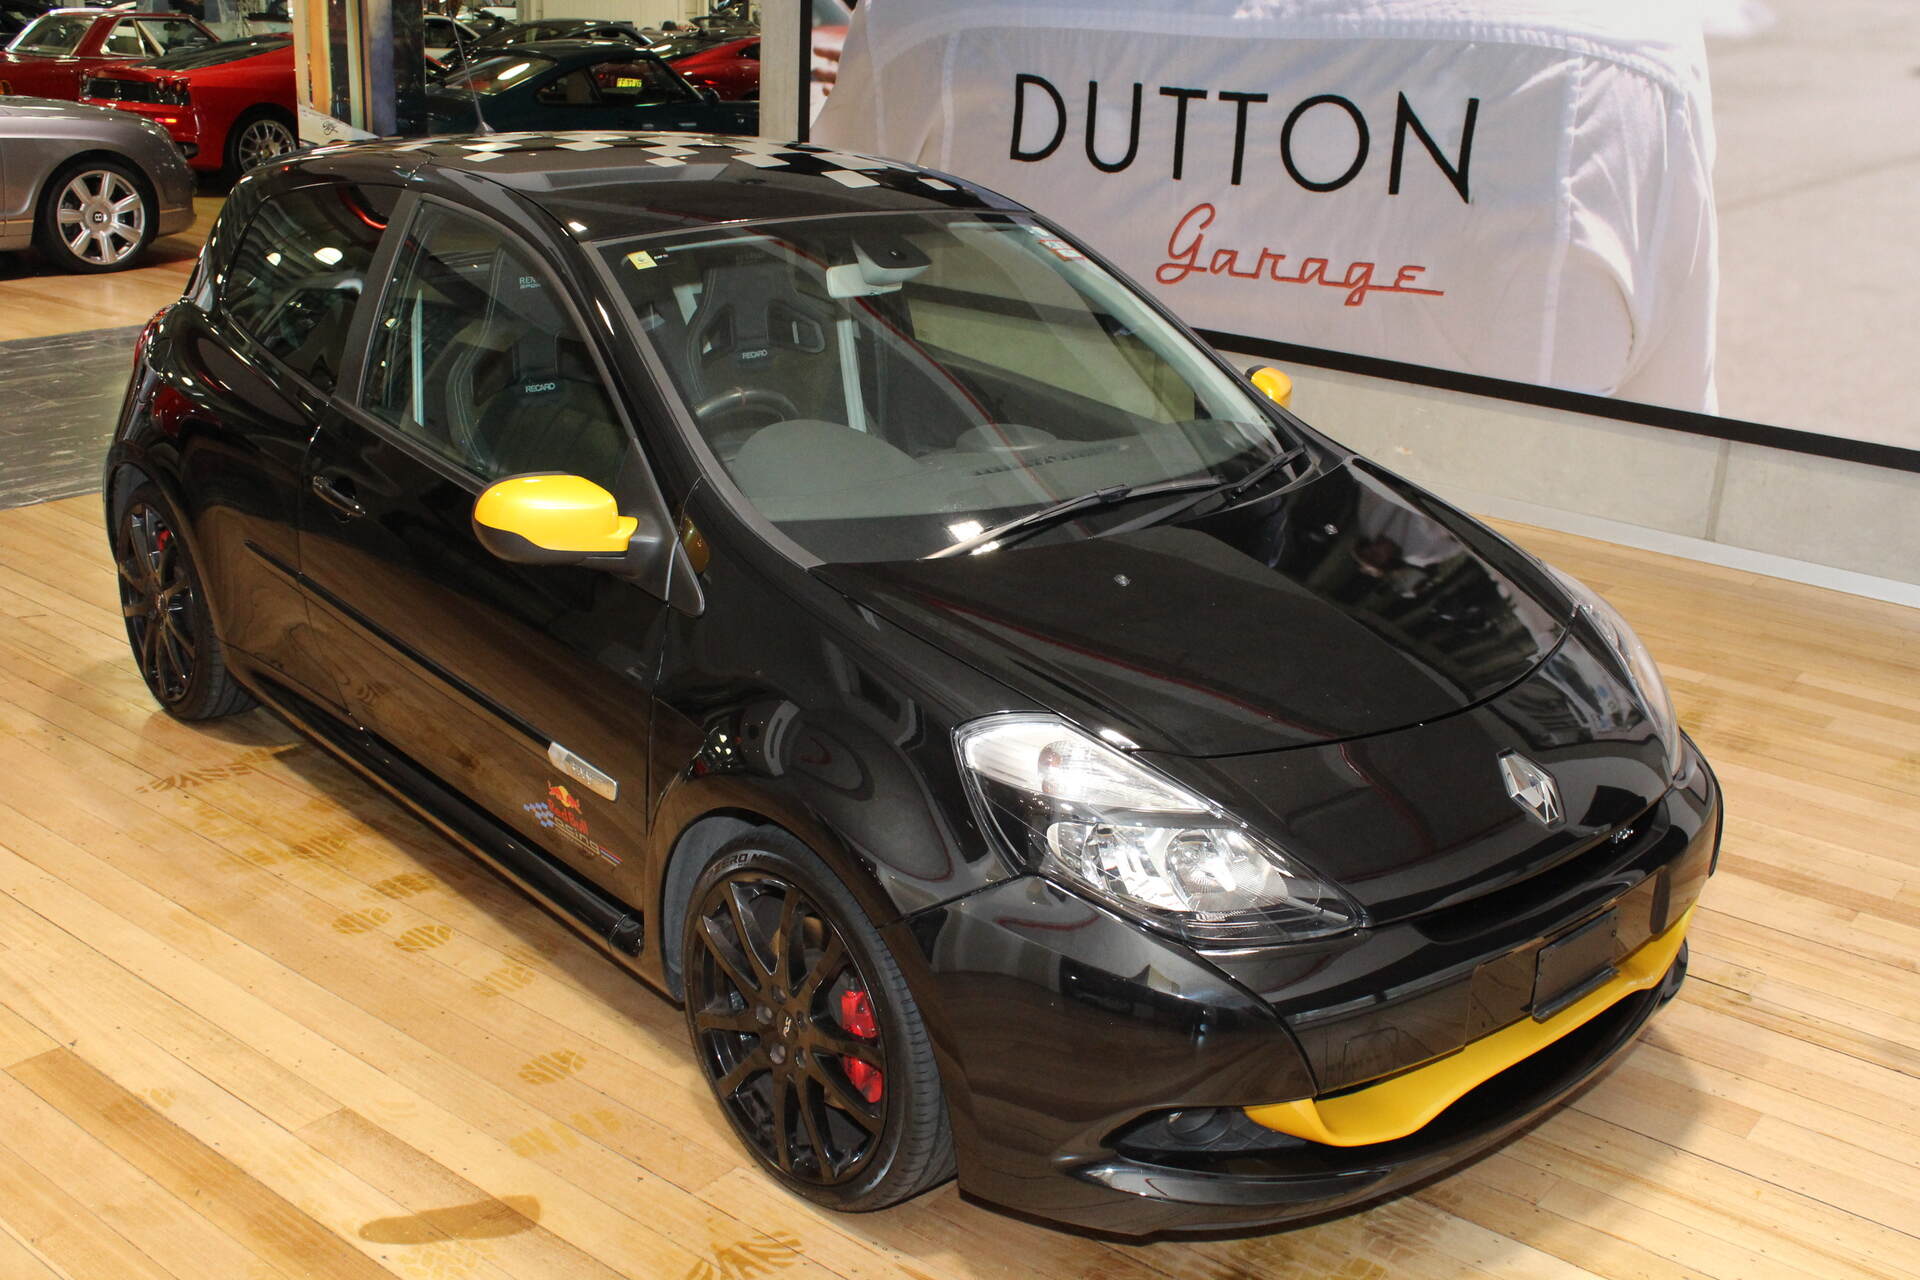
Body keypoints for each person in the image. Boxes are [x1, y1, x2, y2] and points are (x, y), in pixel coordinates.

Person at [814, 0, 1719, 412]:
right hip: (1478, 632)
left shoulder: (932, 23)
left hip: (1007, 574)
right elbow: (1667, 428)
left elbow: (823, 293)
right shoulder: (1620, 50)